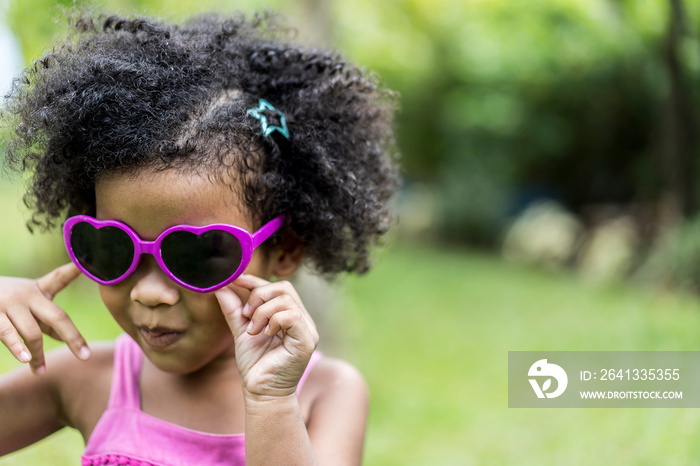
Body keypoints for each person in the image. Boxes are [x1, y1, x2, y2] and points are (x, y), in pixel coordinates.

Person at [0, 10, 398, 465]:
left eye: (196, 255)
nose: (150, 292)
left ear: (284, 248)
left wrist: (270, 402)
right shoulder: (87, 379)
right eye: (113, 248)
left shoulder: (325, 394)